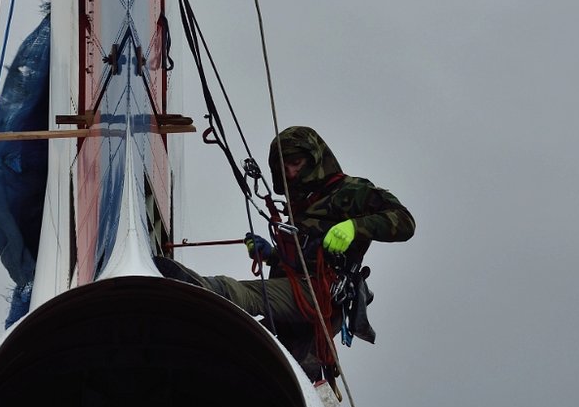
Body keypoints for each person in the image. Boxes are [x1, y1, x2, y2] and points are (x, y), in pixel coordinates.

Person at [164, 125, 415, 381]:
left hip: (318, 293)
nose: (291, 172)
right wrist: (271, 255)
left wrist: (353, 227)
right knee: (250, 353)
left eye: (296, 162)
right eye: (284, 167)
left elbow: (405, 221)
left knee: (248, 295)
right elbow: (302, 259)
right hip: (297, 296)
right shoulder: (303, 203)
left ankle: (196, 289)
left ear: (314, 158)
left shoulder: (350, 191)